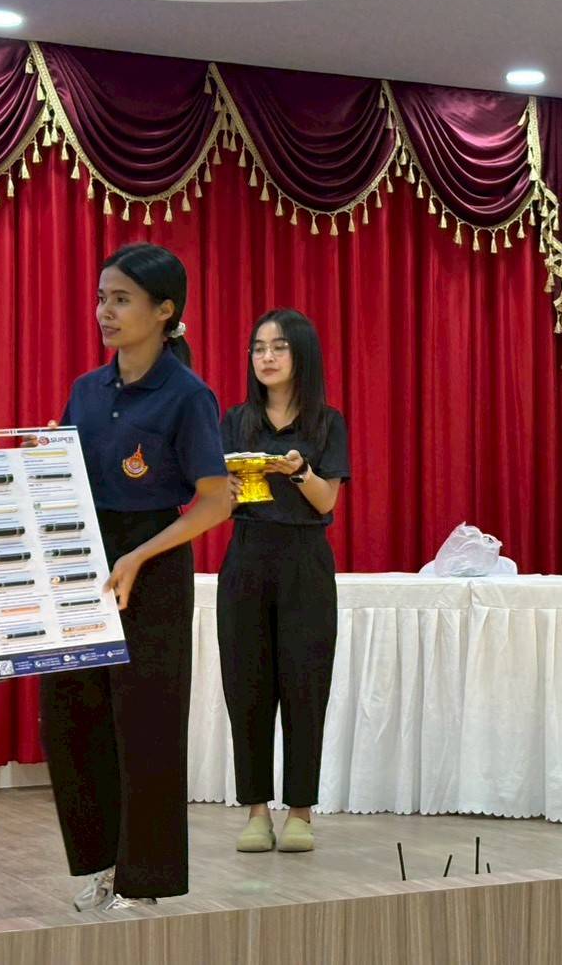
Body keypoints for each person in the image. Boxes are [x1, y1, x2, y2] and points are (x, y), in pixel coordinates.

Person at [40, 243, 231, 913]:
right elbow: (68, 476)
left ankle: (144, 884)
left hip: (153, 563)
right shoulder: (86, 391)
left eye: (121, 299)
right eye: (102, 298)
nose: (105, 312)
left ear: (164, 310)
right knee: (73, 716)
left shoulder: (188, 396)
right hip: (85, 559)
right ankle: (100, 867)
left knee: (146, 726)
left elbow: (216, 501)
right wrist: (40, 458)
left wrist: (140, 556)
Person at [217, 309, 349, 854]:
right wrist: (224, 489)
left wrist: (298, 470)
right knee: (246, 688)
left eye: (278, 347)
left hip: (305, 561)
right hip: (246, 557)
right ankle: (256, 812)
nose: (266, 357)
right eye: (258, 348)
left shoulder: (326, 423)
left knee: (304, 687)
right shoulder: (235, 421)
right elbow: (218, 504)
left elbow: (327, 501)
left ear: (302, 354)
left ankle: (300, 812)